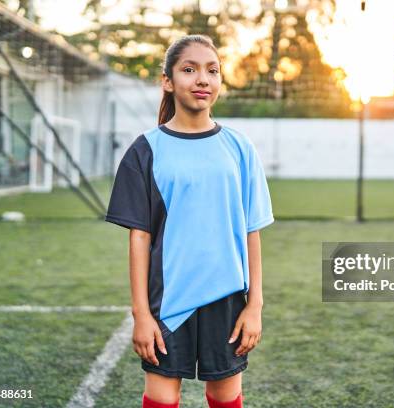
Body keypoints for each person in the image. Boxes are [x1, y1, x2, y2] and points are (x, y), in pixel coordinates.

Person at [104, 34, 274, 408]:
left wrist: (255, 305)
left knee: (225, 395)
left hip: (227, 297)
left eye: (212, 71)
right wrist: (141, 315)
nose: (202, 79)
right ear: (168, 81)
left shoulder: (239, 148)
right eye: (189, 69)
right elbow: (138, 238)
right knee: (162, 397)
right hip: (169, 300)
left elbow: (252, 231)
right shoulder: (145, 150)